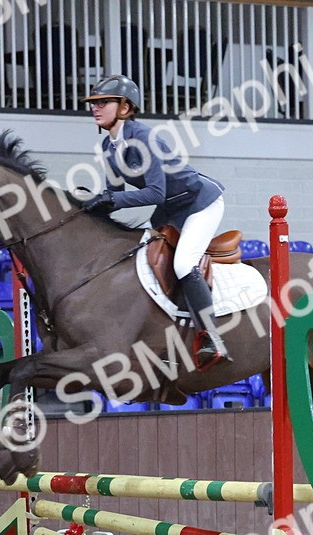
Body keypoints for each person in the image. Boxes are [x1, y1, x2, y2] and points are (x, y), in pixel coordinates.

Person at [80, 74, 232, 369]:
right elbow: (114, 196)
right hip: (169, 212)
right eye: (93, 103)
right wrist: (86, 208)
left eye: (103, 102)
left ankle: (213, 337)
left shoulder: (144, 138)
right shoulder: (107, 148)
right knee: (142, 263)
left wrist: (108, 200)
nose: (95, 108)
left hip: (199, 202)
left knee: (183, 263)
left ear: (125, 107)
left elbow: (155, 193)